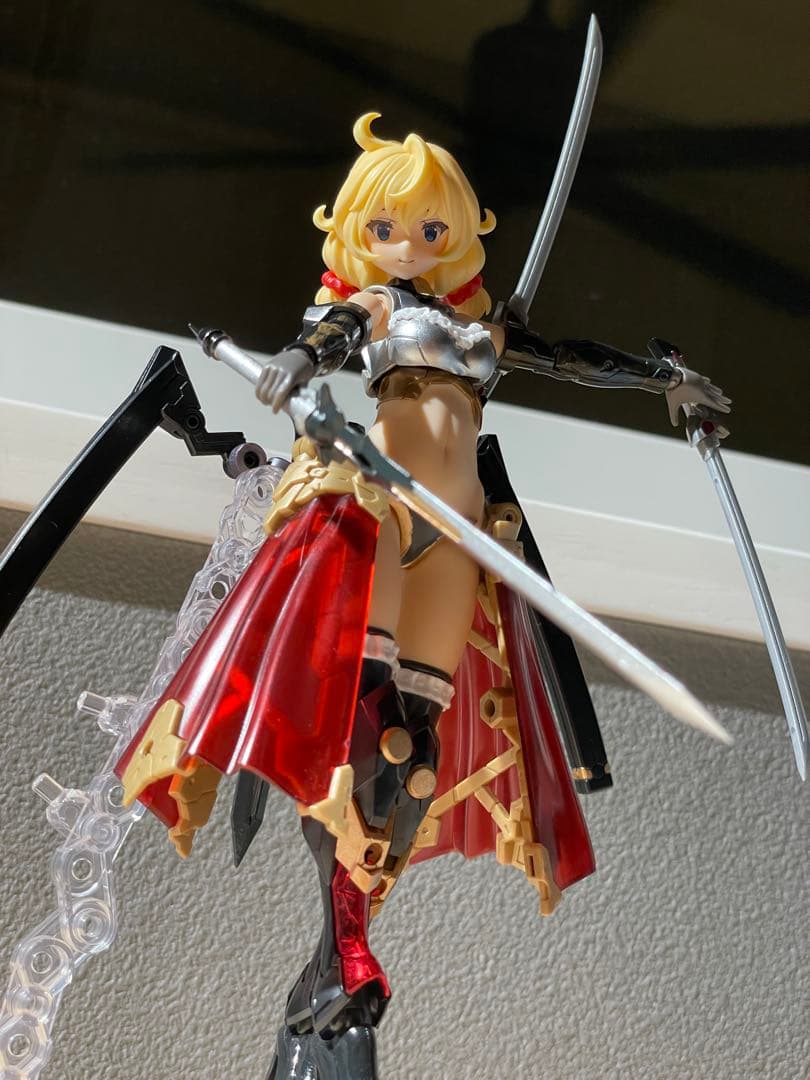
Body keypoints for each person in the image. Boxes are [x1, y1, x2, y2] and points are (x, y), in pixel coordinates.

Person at [117, 113, 729, 1080]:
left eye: (431, 229)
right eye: (388, 229)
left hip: (462, 533)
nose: (409, 246)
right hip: (383, 505)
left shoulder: (486, 328)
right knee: (363, 729)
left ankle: (333, 965)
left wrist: (665, 380)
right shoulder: (376, 307)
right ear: (357, 234)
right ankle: (347, 954)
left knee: (415, 750)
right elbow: (331, 332)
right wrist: (298, 360)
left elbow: (570, 356)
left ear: (460, 234)